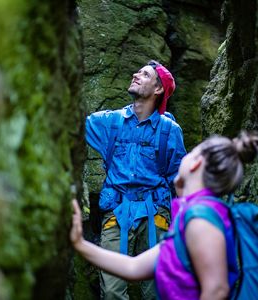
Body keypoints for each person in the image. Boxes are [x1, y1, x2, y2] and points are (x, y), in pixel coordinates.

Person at [72, 131, 258, 300]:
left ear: (196, 163)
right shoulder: (190, 215)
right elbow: (133, 267)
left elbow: (217, 290)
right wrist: (79, 243)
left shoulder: (201, 218)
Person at [85, 60, 187, 299]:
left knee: (156, 291)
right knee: (111, 292)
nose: (136, 74)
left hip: (157, 214)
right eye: (138, 71)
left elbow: (182, 182)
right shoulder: (109, 122)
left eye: (145, 74)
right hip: (116, 212)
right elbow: (71, 124)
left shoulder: (170, 131)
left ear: (158, 89)